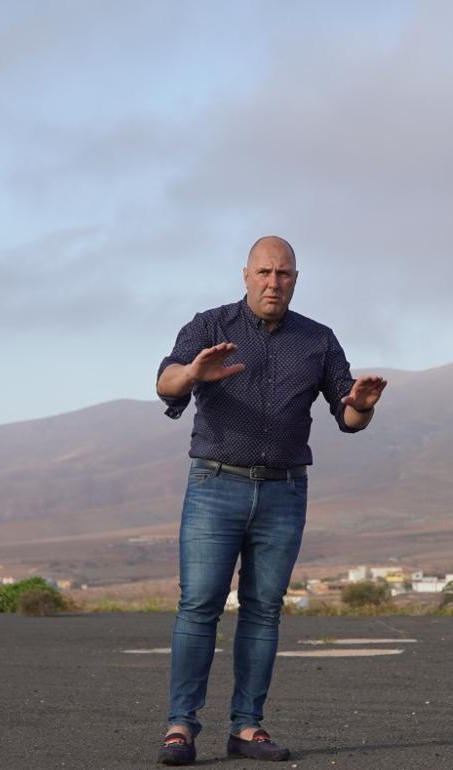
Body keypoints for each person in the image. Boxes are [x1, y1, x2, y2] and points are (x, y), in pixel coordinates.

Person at [154, 235, 387, 766]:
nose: (272, 282)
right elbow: (165, 383)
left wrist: (363, 405)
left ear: (295, 280)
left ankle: (247, 727)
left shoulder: (318, 339)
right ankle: (181, 727)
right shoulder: (209, 327)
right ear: (245, 275)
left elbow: (347, 416)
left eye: (283, 274)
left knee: (263, 611)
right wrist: (192, 373)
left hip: (284, 490)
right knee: (199, 606)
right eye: (263, 273)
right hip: (216, 484)